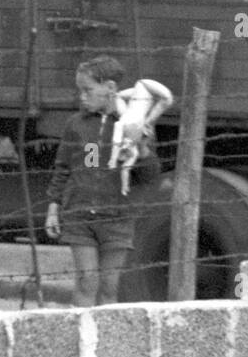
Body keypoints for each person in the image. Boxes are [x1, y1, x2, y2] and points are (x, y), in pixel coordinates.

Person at [45, 56, 162, 307]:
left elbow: (150, 176)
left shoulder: (134, 124)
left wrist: (141, 147)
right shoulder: (76, 125)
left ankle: (105, 343)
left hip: (117, 219)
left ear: (110, 88)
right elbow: (63, 167)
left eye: (88, 90)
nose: (82, 97)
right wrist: (54, 207)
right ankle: (82, 339)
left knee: (110, 288)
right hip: (80, 216)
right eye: (80, 91)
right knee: (87, 282)